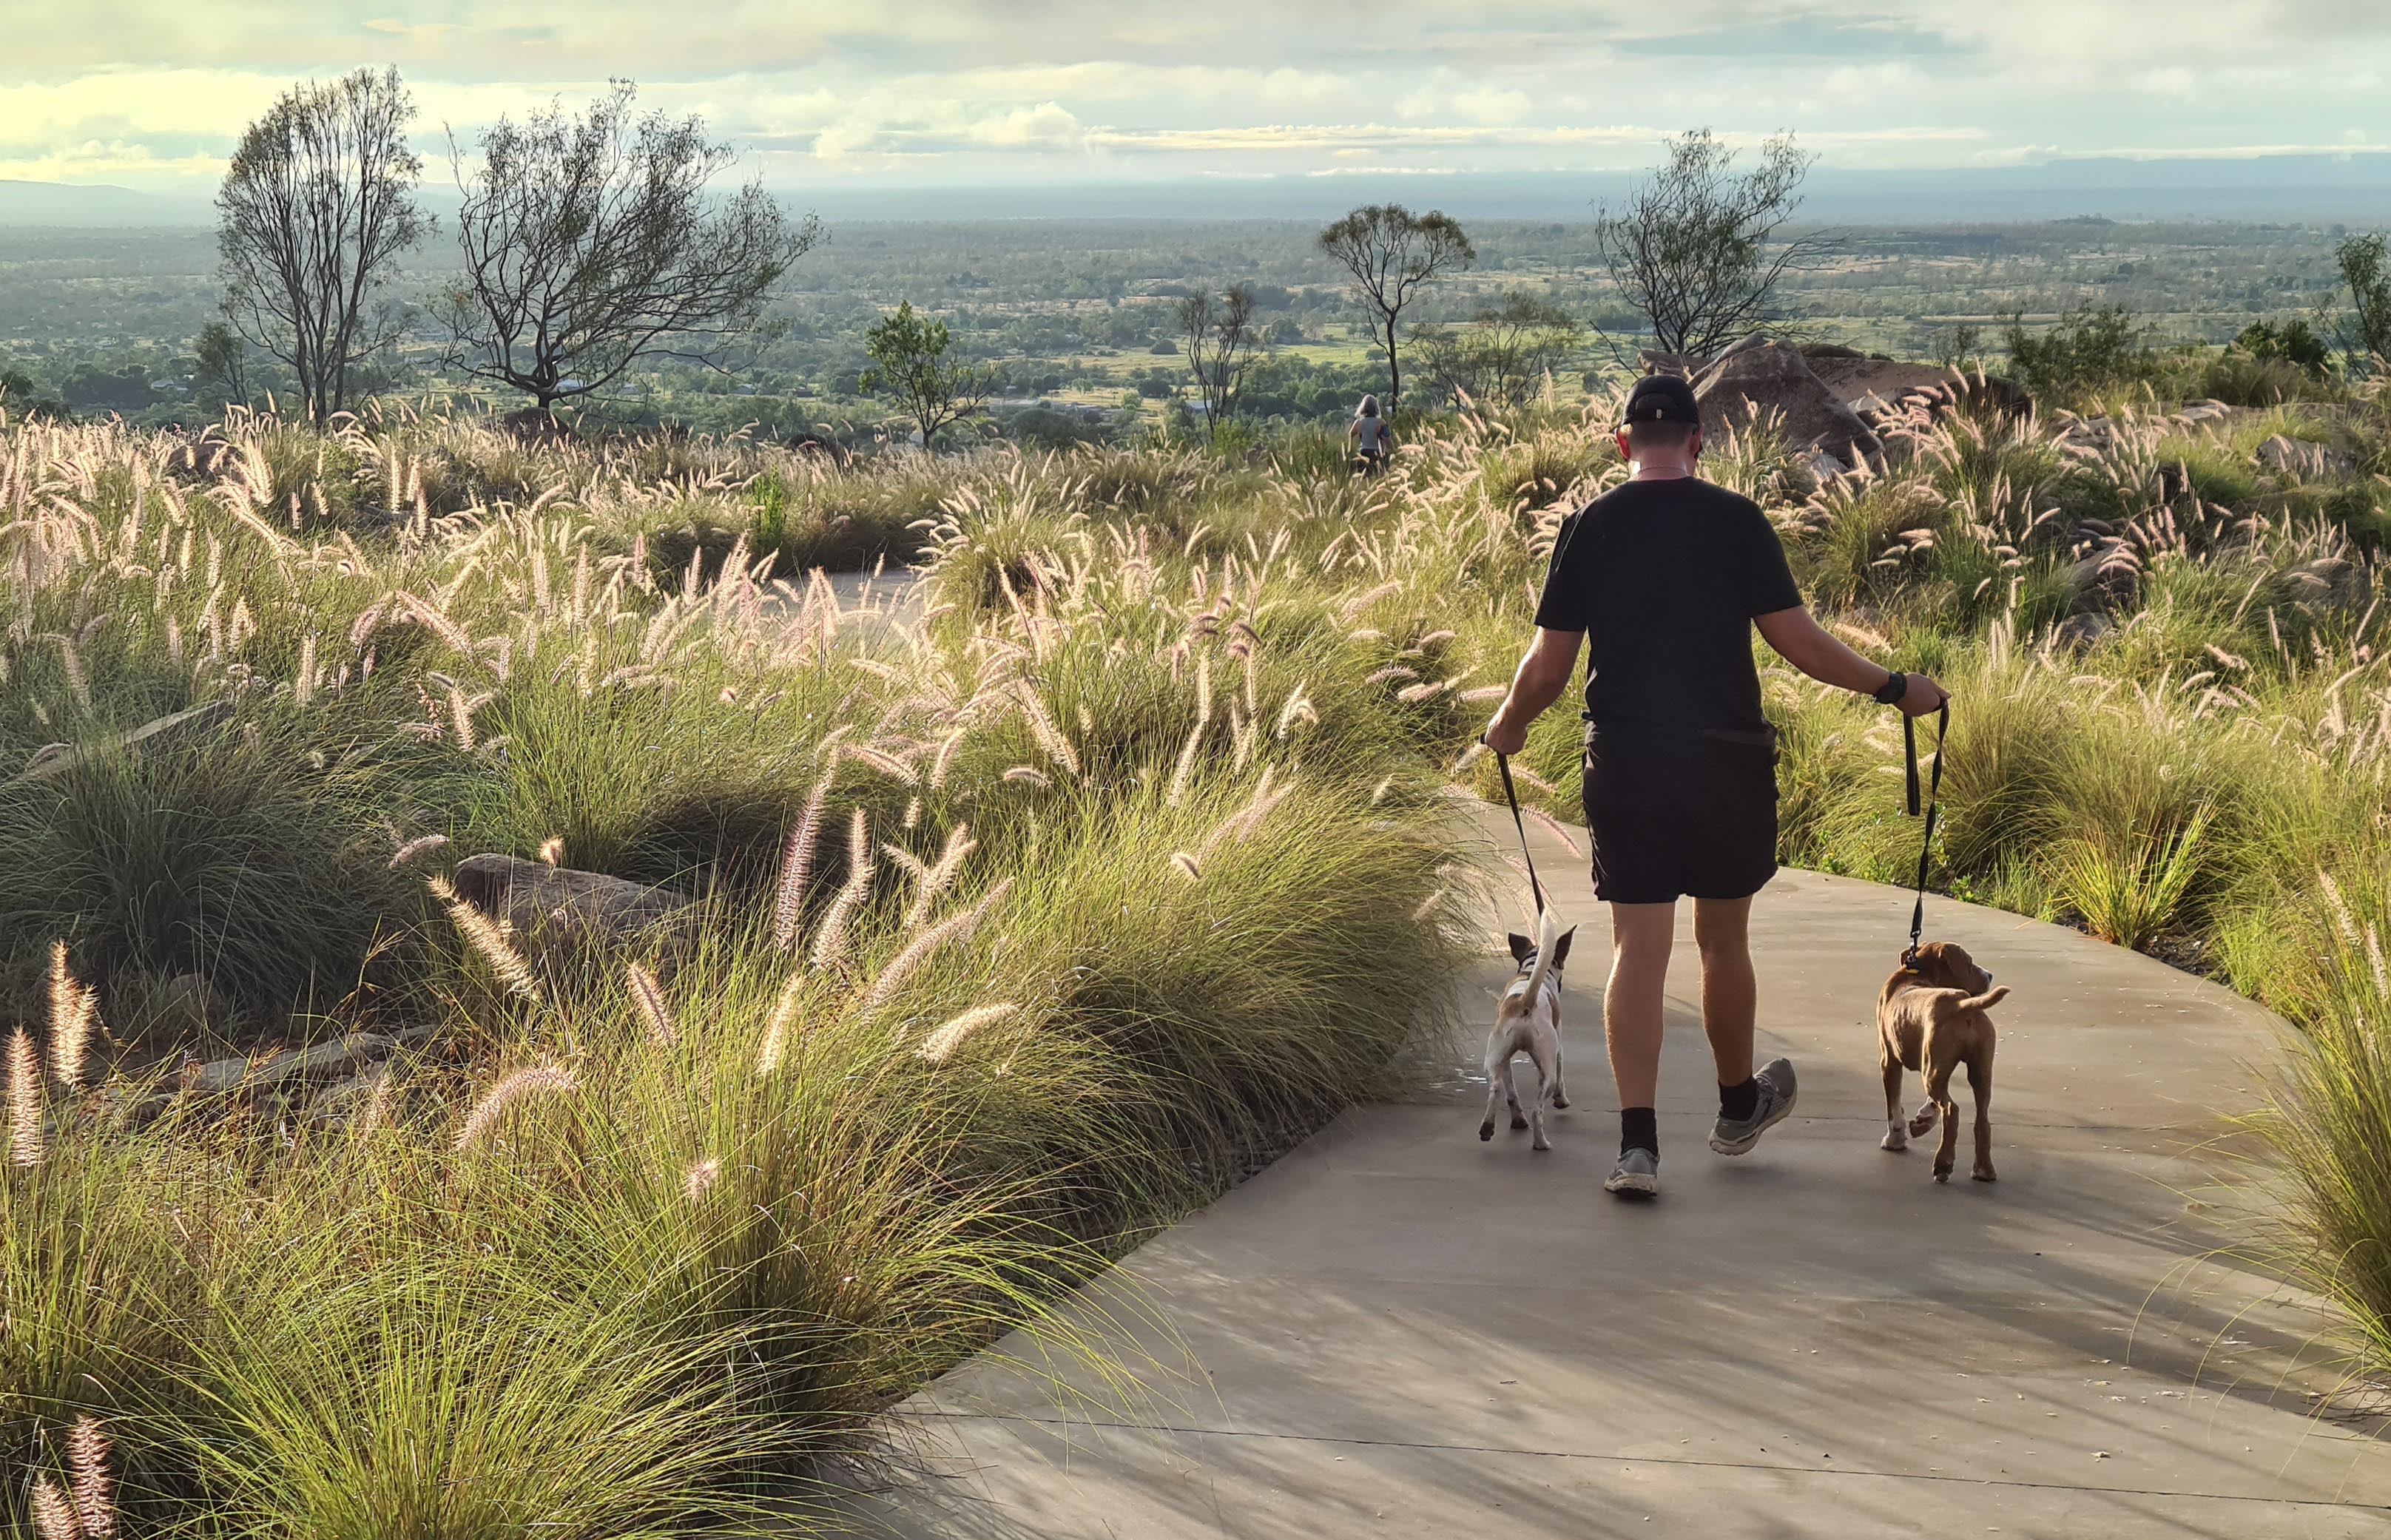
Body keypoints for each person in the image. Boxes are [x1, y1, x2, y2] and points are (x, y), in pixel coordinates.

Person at [1480, 373, 1948, 1200]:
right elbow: (1797, 642)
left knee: (1637, 950)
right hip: (1724, 762)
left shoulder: (1590, 525)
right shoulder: (1735, 521)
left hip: (1624, 762)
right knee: (1722, 942)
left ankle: (1636, 1150)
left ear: (1622, 444)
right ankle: (1737, 1108)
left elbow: (1547, 665)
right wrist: (1893, 687)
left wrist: (1510, 725)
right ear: (1698, 443)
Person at [1348, 394, 1393, 474]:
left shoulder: (1358, 423)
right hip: (1377, 454)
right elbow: (1387, 438)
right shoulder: (1381, 422)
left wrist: (1351, 450)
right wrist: (1391, 449)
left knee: (1364, 479)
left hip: (1363, 454)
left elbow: (1350, 434)